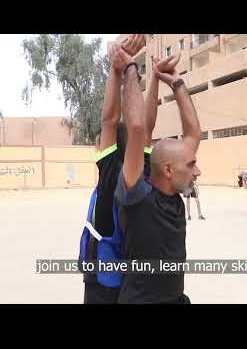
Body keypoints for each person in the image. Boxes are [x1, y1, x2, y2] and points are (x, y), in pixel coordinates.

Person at [113, 47, 201, 304]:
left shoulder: (174, 190)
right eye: (191, 164)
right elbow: (139, 128)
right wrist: (131, 68)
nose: (197, 170)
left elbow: (193, 132)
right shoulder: (137, 197)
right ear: (167, 169)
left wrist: (176, 83)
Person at [81, 35, 146, 304]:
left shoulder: (110, 181)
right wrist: (134, 74)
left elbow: (109, 120)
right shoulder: (141, 173)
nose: (98, 145)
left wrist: (116, 68)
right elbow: (144, 126)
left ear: (109, 150)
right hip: (128, 279)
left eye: (101, 143)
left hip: (104, 281)